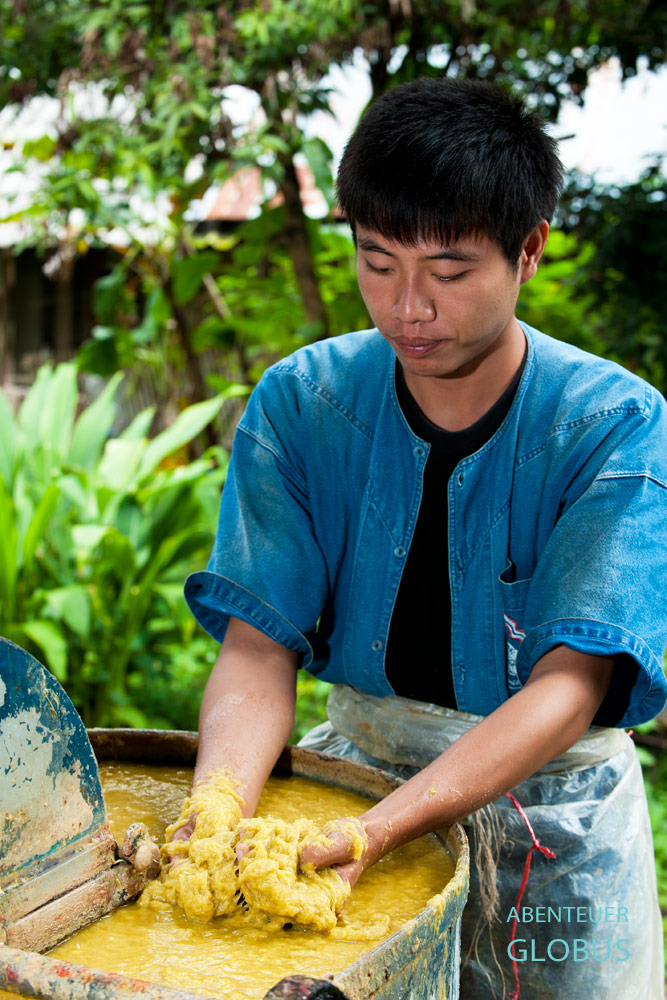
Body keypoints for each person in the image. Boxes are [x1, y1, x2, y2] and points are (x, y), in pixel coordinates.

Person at [182, 78, 667, 998]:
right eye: (376, 262)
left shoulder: (614, 426)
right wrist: (216, 812)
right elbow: (256, 649)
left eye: (447, 273)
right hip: (347, 800)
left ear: (528, 251)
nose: (407, 305)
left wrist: (381, 830)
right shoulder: (300, 405)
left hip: (551, 834)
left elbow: (570, 685)